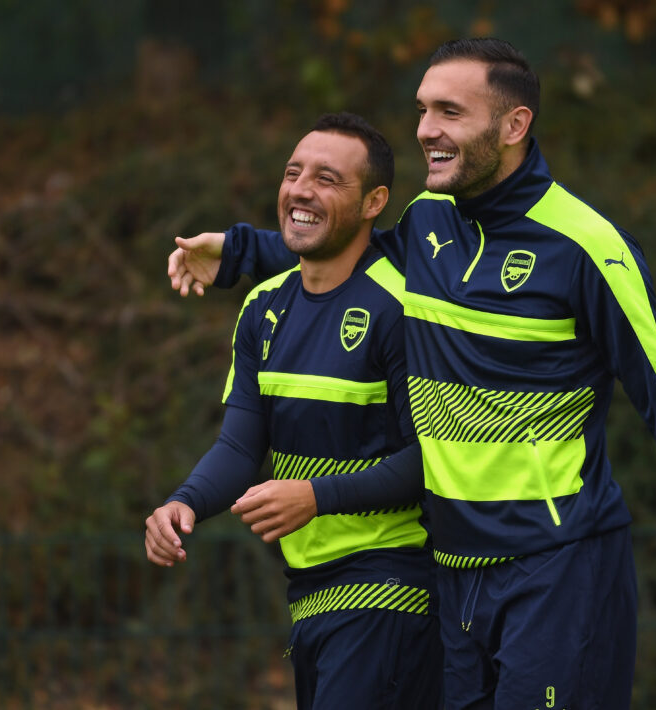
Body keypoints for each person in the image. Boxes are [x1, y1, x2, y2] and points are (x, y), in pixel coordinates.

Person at [168, 39, 656, 709]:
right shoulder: (429, 223)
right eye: (423, 109)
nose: (426, 129)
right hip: (455, 572)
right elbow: (343, 252)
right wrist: (236, 253)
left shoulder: (585, 248)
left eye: (450, 111)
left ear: (513, 126)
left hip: (558, 565)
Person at [145, 112, 442, 710]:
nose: (301, 190)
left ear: (373, 202)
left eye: (328, 178)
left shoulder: (403, 307)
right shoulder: (262, 307)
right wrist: (183, 502)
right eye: (292, 173)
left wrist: (315, 496)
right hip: (311, 594)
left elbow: (432, 462)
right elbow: (239, 447)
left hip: (393, 589)